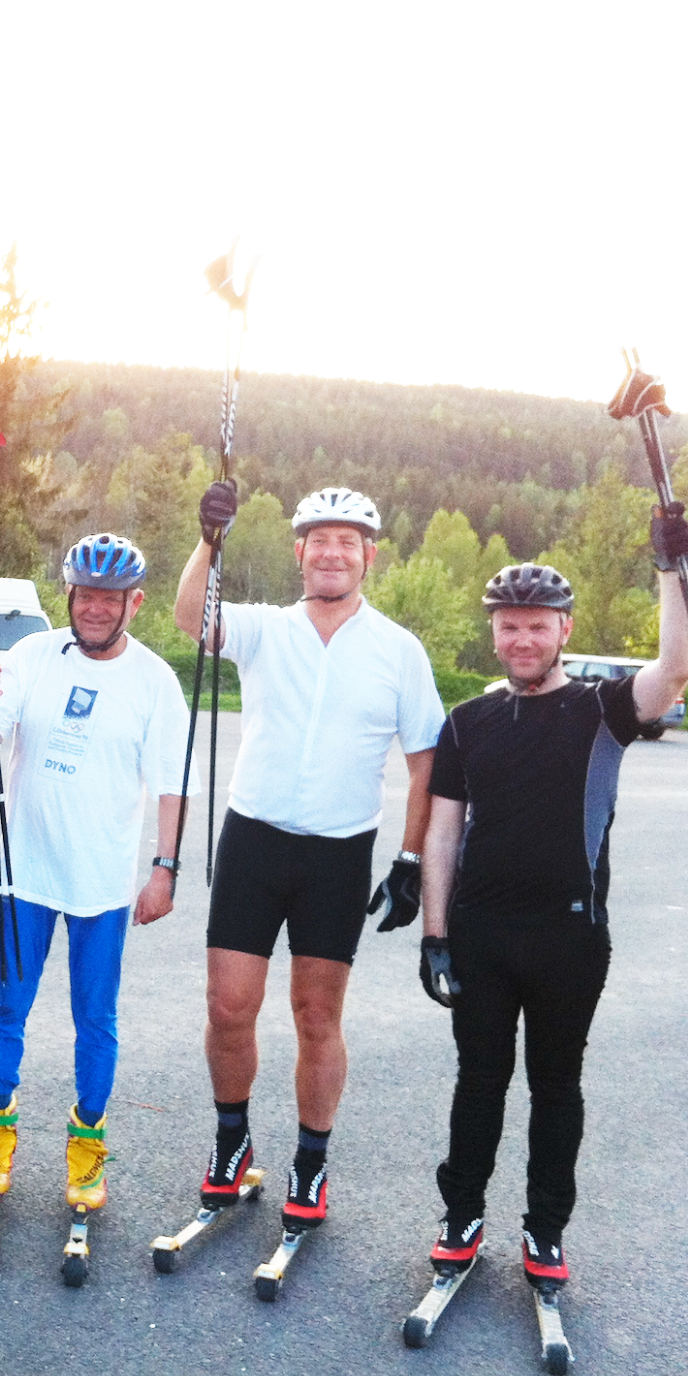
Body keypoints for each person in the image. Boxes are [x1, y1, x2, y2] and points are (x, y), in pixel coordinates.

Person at [418, 529, 688, 1289]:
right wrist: (434, 934)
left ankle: (544, 1230)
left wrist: (670, 568)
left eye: (538, 626)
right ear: (493, 632)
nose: (522, 639)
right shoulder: (466, 720)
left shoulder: (603, 709)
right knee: (479, 1082)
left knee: (555, 1087)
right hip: (479, 934)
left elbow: (677, 667)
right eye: (509, 625)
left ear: (564, 629)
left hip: (570, 937)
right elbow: (442, 831)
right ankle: (462, 1216)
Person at [174, 483, 445, 1228]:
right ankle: (232, 1142)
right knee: (229, 1007)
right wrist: (210, 539)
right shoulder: (267, 628)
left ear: (368, 557)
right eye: (319, 540)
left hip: (338, 854)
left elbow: (427, 762)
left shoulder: (398, 650)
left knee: (316, 1016)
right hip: (254, 841)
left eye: (347, 542)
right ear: (299, 553)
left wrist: (410, 860)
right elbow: (191, 616)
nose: (332, 553)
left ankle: (311, 1161)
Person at [0, 533, 194, 1210]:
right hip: (25, 875)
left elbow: (174, 782)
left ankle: (87, 1143)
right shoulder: (31, 656)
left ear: (134, 603)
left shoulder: (155, 680)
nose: (95, 608)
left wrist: (165, 869)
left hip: (103, 884)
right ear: (68, 595)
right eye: (86, 595)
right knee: (8, 1007)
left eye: (110, 598)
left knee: (96, 1018)